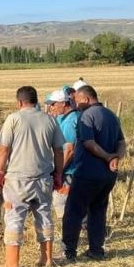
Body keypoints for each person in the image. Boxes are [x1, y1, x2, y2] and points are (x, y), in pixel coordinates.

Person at [0, 86, 64, 267]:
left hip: (17, 181)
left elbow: (3, 149)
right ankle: (47, 260)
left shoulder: (13, 119)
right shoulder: (50, 120)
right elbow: (58, 150)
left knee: (15, 218)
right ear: (36, 101)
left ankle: (12, 265)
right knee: (44, 217)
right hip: (43, 179)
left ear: (19, 102)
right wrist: (58, 174)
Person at [61, 85, 126, 262]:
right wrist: (115, 159)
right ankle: (96, 250)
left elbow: (89, 143)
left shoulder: (86, 116)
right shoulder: (111, 115)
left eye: (77, 101)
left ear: (86, 99)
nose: (75, 104)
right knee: (98, 211)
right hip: (108, 176)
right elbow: (122, 142)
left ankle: (69, 251)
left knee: (73, 211)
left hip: (88, 173)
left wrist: (107, 157)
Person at [45, 90, 79, 220]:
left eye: (53, 104)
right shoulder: (71, 117)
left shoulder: (70, 122)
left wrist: (58, 171)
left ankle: (73, 233)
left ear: (64, 103)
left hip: (70, 170)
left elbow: (69, 150)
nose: (51, 107)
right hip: (76, 169)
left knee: (61, 201)